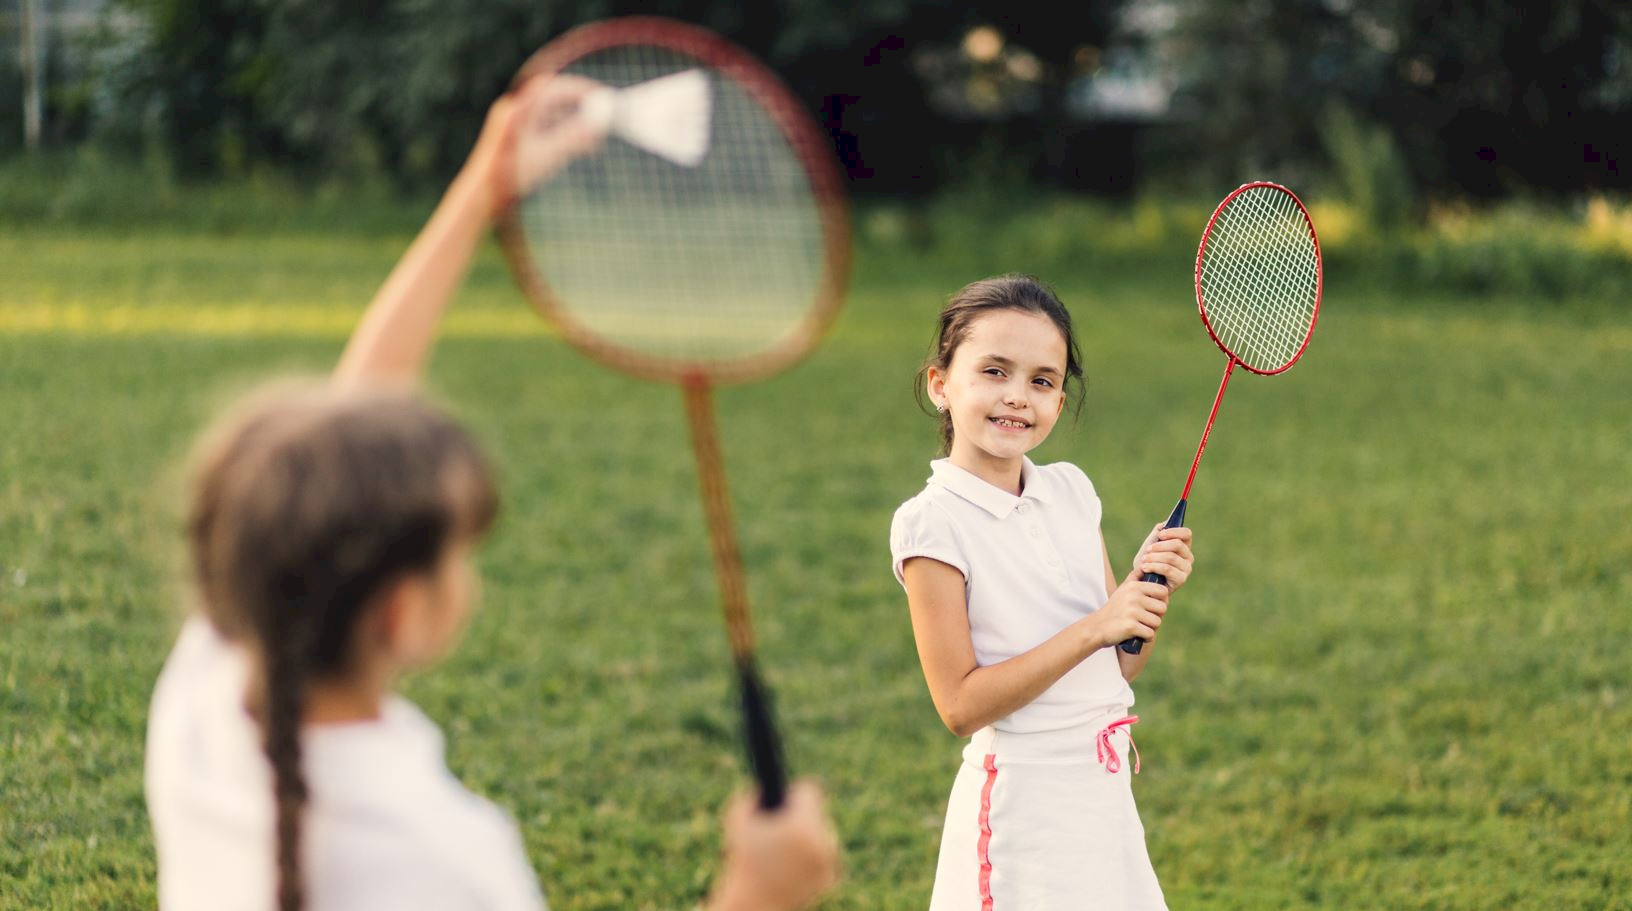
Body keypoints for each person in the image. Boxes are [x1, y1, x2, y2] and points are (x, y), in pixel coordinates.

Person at [145, 73, 841, 911]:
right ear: (403, 613)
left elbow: (350, 428)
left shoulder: (202, 714)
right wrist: (755, 896)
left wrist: (483, 191)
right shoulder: (438, 857)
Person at [889, 275, 1195, 910]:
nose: (1017, 397)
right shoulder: (931, 524)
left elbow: (1121, 662)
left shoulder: (1071, 491)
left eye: (1042, 380)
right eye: (994, 371)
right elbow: (959, 706)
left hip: (1102, 795)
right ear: (941, 385)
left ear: (1060, 398)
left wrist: (1144, 593)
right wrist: (1097, 625)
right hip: (1022, 813)